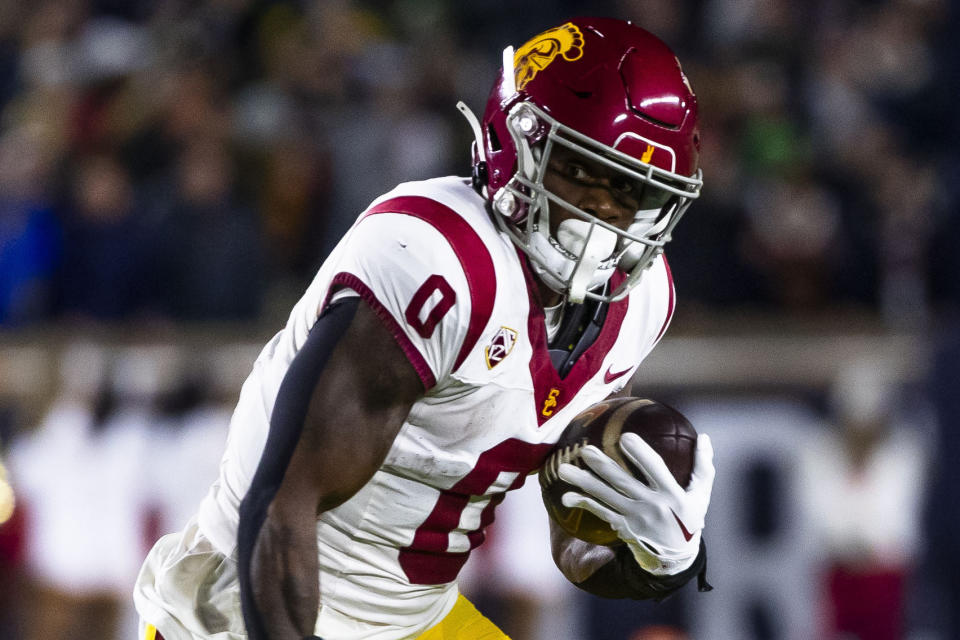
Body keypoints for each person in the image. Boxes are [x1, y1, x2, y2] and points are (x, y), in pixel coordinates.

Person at [134, 17, 716, 640]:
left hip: (418, 617)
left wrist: (657, 558)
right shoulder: (436, 260)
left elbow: (573, 543)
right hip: (261, 605)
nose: (601, 212)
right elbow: (282, 507)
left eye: (628, 190)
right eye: (581, 171)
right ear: (514, 143)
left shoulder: (644, 300)